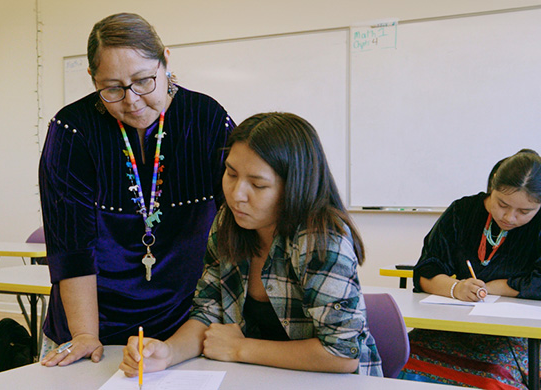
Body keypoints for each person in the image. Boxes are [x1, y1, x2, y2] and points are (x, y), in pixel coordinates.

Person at [119, 112, 382, 376]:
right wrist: (168, 353)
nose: (236, 195)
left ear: (294, 187)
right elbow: (208, 312)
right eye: (231, 174)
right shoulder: (228, 222)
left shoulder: (321, 239)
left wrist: (239, 349)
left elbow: (341, 355)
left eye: (257, 184)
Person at [38, 13, 234, 366]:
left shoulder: (206, 119)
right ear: (92, 79)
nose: (131, 100)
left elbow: (237, 224)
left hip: (184, 327)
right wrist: (84, 334)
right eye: (112, 88)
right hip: (92, 323)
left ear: (166, 62)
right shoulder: (73, 131)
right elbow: (71, 246)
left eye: (144, 80)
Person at [401, 150, 541, 389]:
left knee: (493, 378)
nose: (509, 217)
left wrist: (492, 288)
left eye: (524, 212)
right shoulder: (461, 212)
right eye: (502, 204)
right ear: (493, 186)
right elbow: (426, 270)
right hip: (450, 325)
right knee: (401, 362)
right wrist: (456, 288)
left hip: (514, 335)